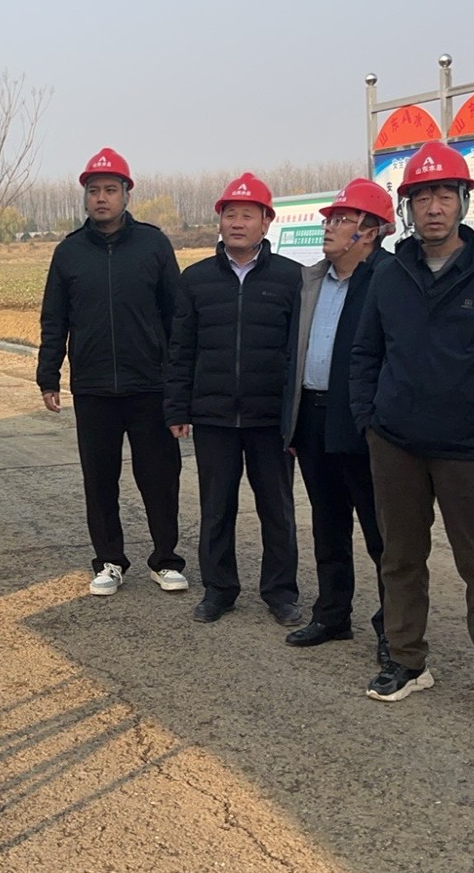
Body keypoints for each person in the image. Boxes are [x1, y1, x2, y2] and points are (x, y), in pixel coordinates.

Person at [349, 141, 474, 723]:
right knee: (400, 557)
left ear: (463, 202)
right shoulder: (389, 276)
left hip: (468, 450)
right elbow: (366, 353)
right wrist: (370, 421)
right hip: (395, 443)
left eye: (445, 194)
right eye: (421, 197)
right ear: (407, 208)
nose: (433, 207)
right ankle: (406, 660)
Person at [38, 147, 188, 598]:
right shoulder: (69, 252)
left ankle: (165, 560)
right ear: (85, 198)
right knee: (100, 480)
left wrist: (179, 382)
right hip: (94, 387)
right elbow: (54, 318)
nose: (101, 198)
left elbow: (177, 317)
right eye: (93, 191)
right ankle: (109, 560)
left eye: (110, 190)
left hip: (149, 386)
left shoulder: (153, 245)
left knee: (160, 478)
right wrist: (49, 374)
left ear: (126, 194)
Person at [165, 172, 304, 626]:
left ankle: (280, 592)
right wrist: (177, 407)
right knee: (216, 508)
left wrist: (296, 419)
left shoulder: (291, 279)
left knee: (277, 510)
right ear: (220, 221)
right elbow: (181, 348)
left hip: (270, 419)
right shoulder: (196, 279)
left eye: (248, 215)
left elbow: (297, 353)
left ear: (267, 222)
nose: (237, 223)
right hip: (214, 416)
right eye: (230, 214)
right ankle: (219, 590)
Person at [284, 178, 395, 663]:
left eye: (342, 219)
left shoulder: (388, 281)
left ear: (369, 232)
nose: (328, 227)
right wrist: (292, 423)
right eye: (329, 219)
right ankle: (332, 614)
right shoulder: (312, 281)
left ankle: (395, 629)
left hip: (363, 423)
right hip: (313, 417)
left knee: (382, 534)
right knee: (328, 525)